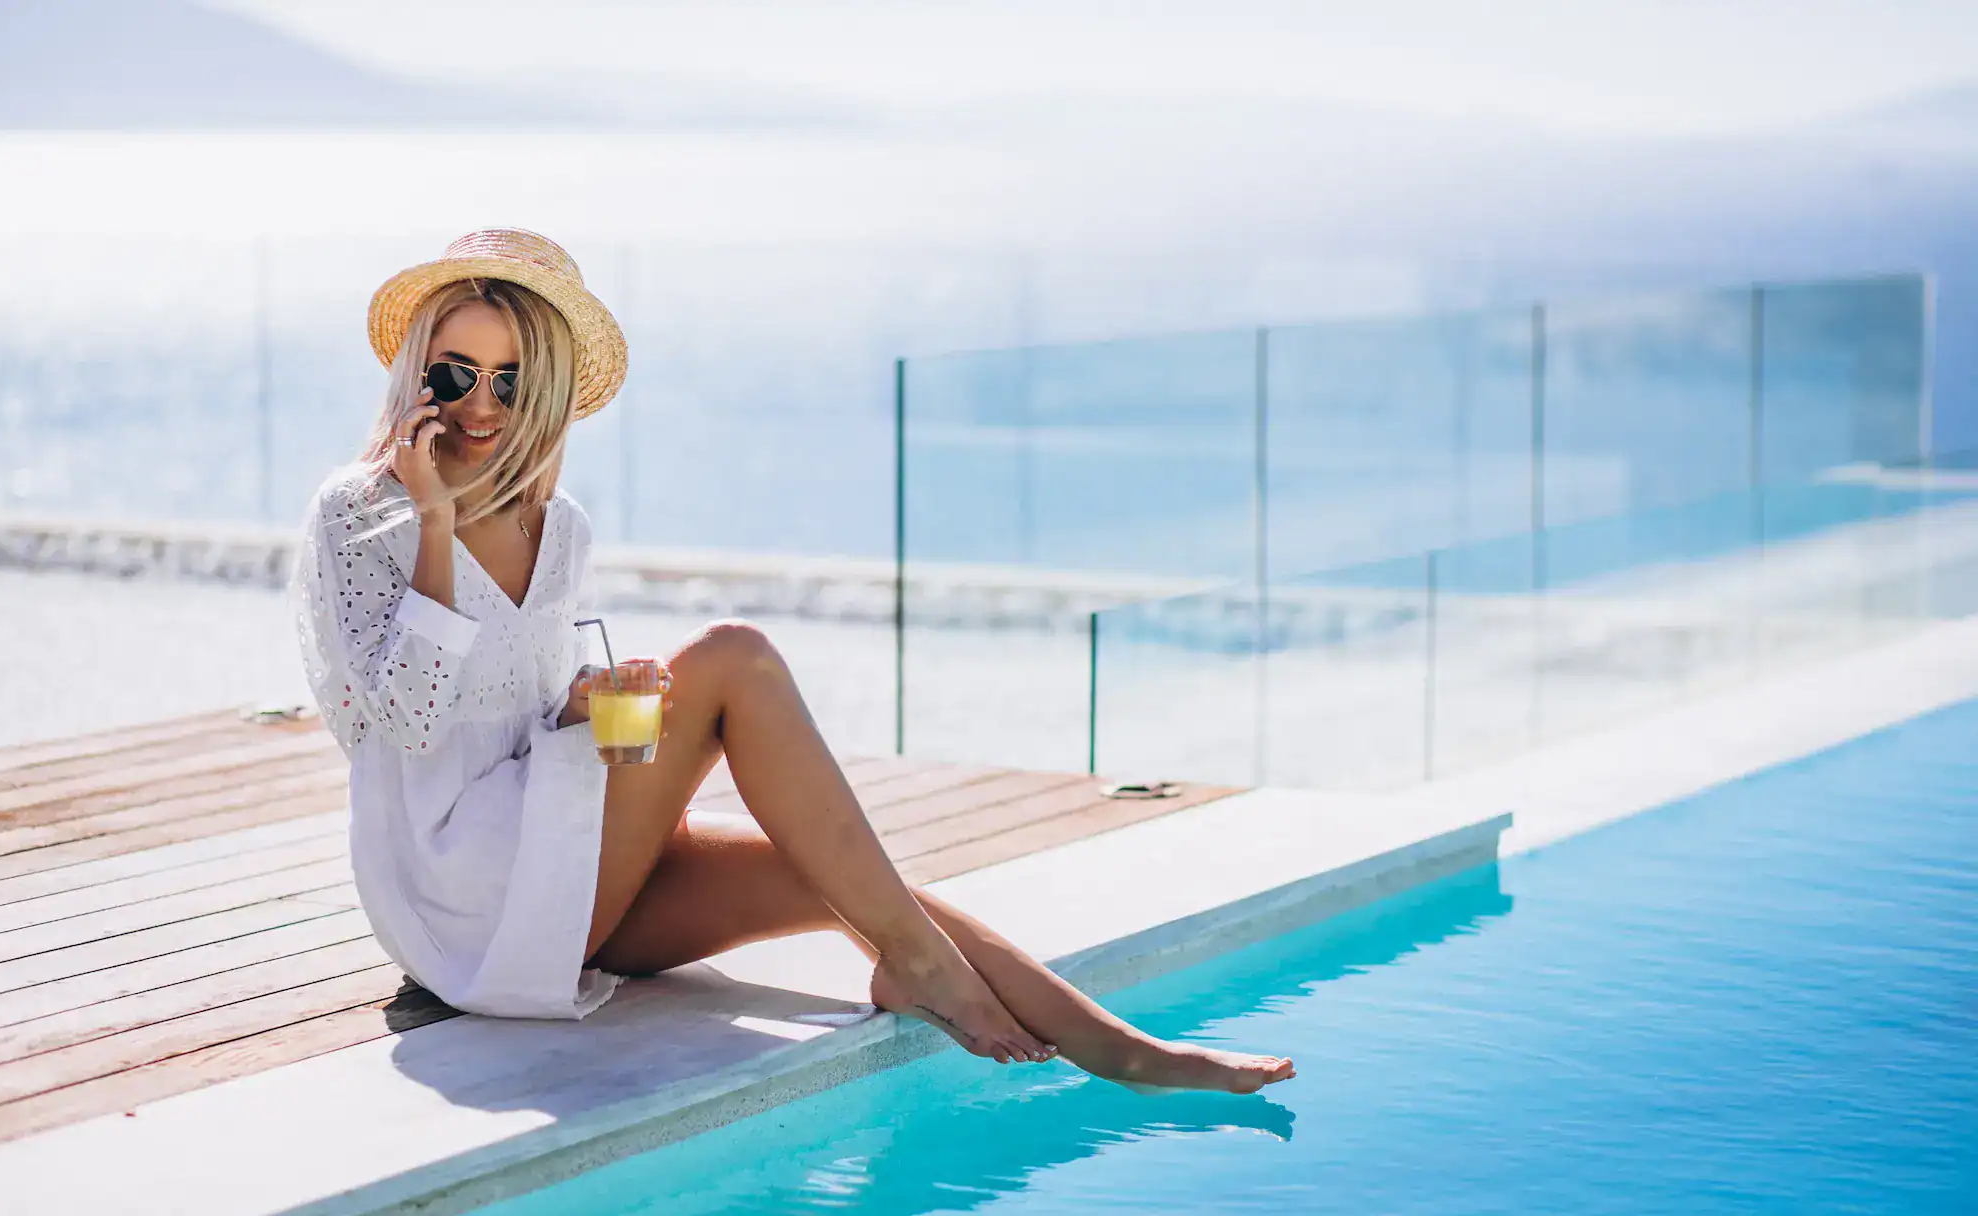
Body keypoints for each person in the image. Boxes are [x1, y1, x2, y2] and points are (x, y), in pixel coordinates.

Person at [289, 228, 1294, 1093]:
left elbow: (521, 713)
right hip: (454, 891)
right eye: (457, 374)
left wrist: (589, 712)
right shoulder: (360, 512)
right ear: (419, 370)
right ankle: (928, 972)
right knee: (733, 658)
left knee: (850, 886)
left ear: (545, 389)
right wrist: (429, 521)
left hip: (555, 855)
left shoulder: (561, 528)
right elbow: (406, 726)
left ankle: (1126, 1052)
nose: (480, 405)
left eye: (510, 380)